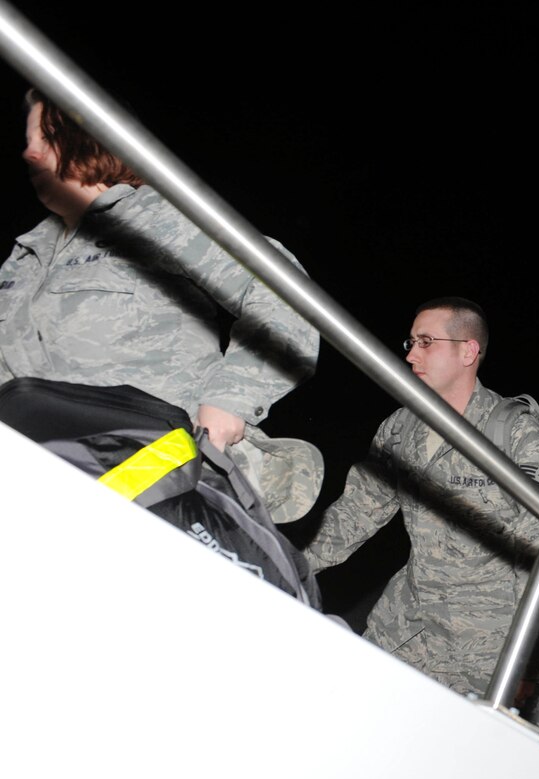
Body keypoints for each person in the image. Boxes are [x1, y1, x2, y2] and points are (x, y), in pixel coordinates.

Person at [0, 89, 321, 519]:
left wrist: (231, 398)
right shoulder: (24, 256)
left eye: (44, 137)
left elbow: (281, 289)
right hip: (32, 476)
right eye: (27, 141)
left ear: (90, 136)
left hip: (147, 469)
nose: (29, 153)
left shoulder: (153, 216)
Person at [305, 297, 539, 737]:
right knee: (366, 733)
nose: (412, 355)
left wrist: (530, 662)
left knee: (492, 764)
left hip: (490, 642)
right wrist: (286, 563)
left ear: (468, 352)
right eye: (411, 342)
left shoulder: (514, 434)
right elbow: (355, 513)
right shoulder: (400, 427)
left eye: (427, 342)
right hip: (409, 624)